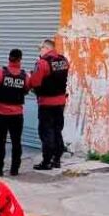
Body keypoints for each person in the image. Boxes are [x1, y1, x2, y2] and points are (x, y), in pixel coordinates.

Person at [0, 49, 29, 176]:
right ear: (20, 60)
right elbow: (26, 89)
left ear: (9, 58)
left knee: (0, 143)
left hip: (1, 114)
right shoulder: (24, 76)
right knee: (17, 142)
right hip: (17, 115)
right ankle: (14, 169)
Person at [29, 39, 68, 171]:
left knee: (46, 132)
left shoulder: (43, 63)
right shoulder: (63, 60)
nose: (40, 50)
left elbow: (34, 82)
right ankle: (56, 159)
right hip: (61, 102)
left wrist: (32, 73)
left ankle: (46, 161)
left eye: (40, 48)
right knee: (57, 130)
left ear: (46, 48)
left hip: (47, 102)